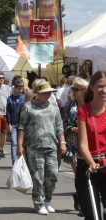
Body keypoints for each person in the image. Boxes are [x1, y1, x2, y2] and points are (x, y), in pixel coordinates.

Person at [17, 79, 67, 215]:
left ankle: (48, 201)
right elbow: (22, 127)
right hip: (34, 146)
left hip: (52, 145)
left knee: (52, 174)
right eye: (45, 93)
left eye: (50, 93)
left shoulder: (53, 106)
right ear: (37, 93)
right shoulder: (28, 107)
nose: (48, 95)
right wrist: (19, 145)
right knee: (38, 176)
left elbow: (59, 125)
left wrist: (62, 142)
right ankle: (39, 203)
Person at [76, 71, 106, 220]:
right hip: (87, 168)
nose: (104, 90)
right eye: (100, 86)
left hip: (105, 165)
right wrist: (92, 163)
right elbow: (83, 144)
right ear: (92, 87)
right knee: (93, 215)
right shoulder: (83, 111)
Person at [63, 77, 88, 215]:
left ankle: (81, 198)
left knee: (86, 175)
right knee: (79, 175)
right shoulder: (69, 105)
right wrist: (73, 129)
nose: (73, 91)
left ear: (84, 91)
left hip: (89, 145)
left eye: (76, 89)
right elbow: (64, 123)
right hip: (73, 144)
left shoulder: (92, 105)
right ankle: (83, 202)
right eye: (72, 88)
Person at [6, 78, 25, 165]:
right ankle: (14, 161)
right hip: (14, 123)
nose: (21, 90)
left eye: (22, 88)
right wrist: (9, 123)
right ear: (15, 88)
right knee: (14, 142)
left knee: (22, 143)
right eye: (19, 88)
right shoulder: (10, 99)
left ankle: (22, 160)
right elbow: (8, 112)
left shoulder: (24, 98)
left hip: (23, 124)